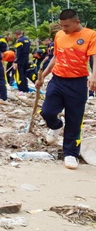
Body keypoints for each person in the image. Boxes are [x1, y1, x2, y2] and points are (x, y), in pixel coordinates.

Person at [36, 9, 96, 170]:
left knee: (74, 119)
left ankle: (70, 154)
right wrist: (43, 76)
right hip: (57, 80)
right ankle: (55, 126)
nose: (63, 29)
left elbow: (94, 57)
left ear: (77, 22)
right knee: (47, 111)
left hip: (78, 83)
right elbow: (56, 57)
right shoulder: (59, 36)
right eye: (61, 26)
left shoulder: (90, 35)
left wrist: (94, 76)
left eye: (66, 26)